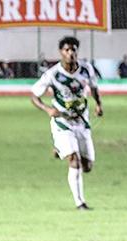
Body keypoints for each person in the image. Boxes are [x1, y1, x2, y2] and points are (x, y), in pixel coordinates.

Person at [31, 36, 102, 211]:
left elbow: (93, 88)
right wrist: (48, 110)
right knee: (74, 160)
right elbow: (34, 96)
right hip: (62, 121)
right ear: (61, 52)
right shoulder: (53, 74)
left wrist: (99, 104)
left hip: (82, 120)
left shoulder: (86, 69)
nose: (70, 53)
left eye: (73, 50)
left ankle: (59, 149)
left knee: (87, 167)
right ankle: (80, 203)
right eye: (67, 50)